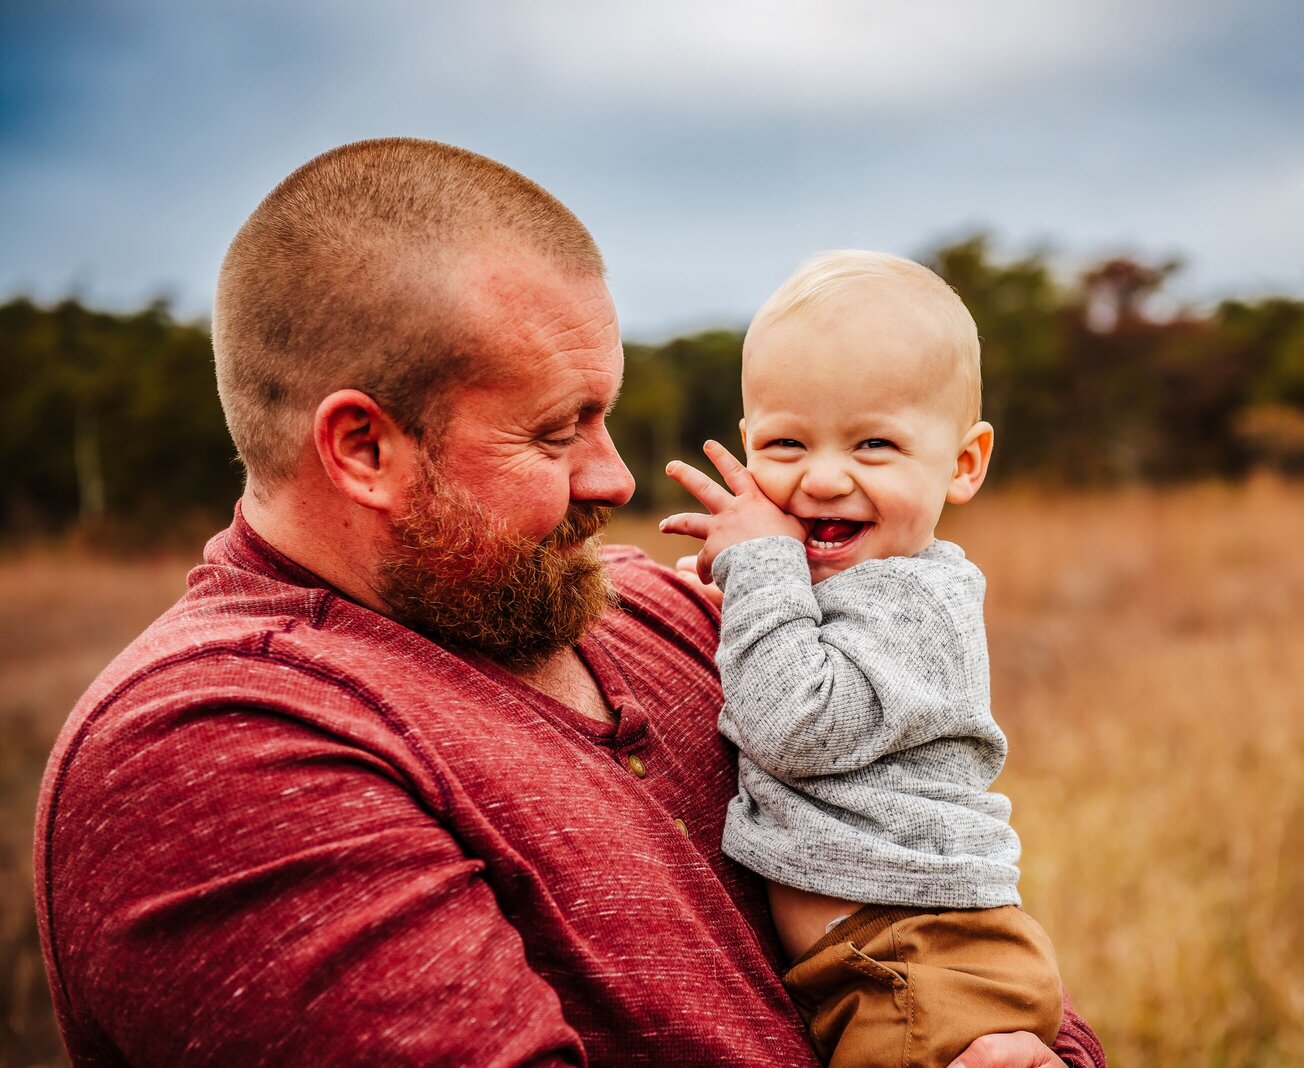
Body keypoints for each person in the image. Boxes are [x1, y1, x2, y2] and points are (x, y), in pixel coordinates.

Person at [33, 138, 1104, 1068]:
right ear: (364, 447)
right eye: (556, 433)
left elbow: (950, 919)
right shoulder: (214, 750)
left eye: (605, 417)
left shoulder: (656, 611)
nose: (615, 479)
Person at [660, 251, 1062, 1067]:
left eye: (874, 444)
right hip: (882, 957)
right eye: (785, 443)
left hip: (918, 956)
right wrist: (735, 595)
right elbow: (787, 651)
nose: (824, 476)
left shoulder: (920, 603)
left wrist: (762, 571)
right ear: (743, 445)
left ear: (963, 463)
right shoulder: (844, 587)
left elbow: (795, 723)